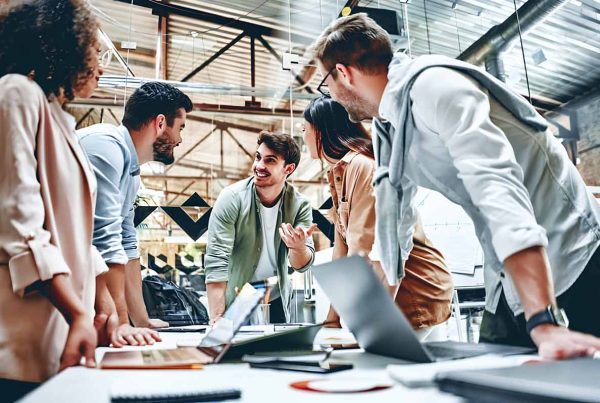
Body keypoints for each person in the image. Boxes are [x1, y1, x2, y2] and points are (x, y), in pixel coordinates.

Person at [311, 13, 600, 358]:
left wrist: (543, 320)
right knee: (488, 381)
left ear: (342, 73)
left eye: (326, 83)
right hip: (505, 270)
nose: (331, 95)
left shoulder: (436, 86)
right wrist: (377, 331)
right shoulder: (390, 127)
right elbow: (393, 230)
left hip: (571, 256)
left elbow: (498, 189)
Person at [0, 0, 116, 399]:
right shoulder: (16, 92)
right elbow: (20, 223)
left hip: (59, 331)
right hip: (20, 338)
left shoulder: (55, 115)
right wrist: (78, 311)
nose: (101, 65)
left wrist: (102, 300)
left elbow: (73, 231)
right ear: (64, 44)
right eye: (95, 50)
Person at [303, 96, 453, 340]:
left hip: (415, 292)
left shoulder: (361, 166)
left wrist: (355, 322)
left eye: (305, 129)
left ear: (321, 131)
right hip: (401, 296)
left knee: (384, 373)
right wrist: (332, 319)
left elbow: (360, 251)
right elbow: (342, 252)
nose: (303, 137)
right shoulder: (340, 173)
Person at [78, 82, 193, 341]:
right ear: (161, 123)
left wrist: (141, 321)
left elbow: (126, 242)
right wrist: (120, 322)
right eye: (181, 127)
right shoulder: (105, 145)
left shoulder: (131, 173)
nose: (180, 139)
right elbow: (104, 237)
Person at [205, 132, 317, 324]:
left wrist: (298, 247)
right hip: (237, 299)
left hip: (276, 299)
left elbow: (301, 265)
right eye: (258, 157)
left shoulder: (300, 205)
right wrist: (217, 317)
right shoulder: (231, 198)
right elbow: (217, 259)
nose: (259, 166)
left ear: (288, 168)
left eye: (270, 160)